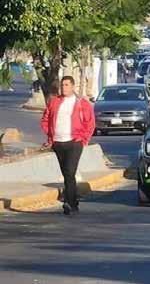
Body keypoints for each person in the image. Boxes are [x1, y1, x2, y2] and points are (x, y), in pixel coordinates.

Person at [40, 76, 96, 215]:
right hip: (58, 143)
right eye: (62, 85)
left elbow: (90, 123)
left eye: (66, 85)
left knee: (70, 171)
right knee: (66, 173)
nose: (63, 87)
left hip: (75, 142)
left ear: (72, 86)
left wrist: (84, 139)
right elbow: (45, 119)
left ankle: (68, 202)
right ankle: (73, 202)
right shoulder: (54, 102)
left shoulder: (82, 103)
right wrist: (50, 135)